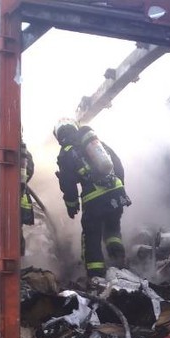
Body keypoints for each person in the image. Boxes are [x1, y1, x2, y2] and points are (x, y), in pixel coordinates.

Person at [54, 119, 128, 280]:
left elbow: (68, 183)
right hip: (116, 193)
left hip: (95, 199)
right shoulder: (95, 143)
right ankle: (120, 265)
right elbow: (117, 163)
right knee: (112, 231)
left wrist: (71, 205)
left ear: (59, 136)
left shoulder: (66, 152)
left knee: (91, 238)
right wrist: (120, 187)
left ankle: (96, 279)